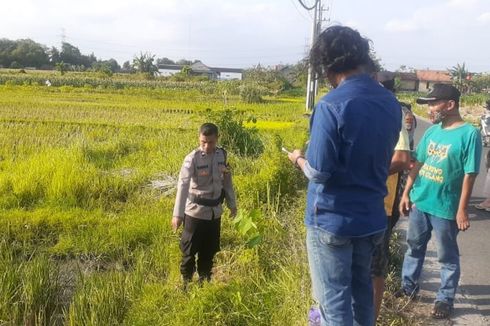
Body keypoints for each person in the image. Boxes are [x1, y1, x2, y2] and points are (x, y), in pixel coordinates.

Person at [288, 25, 402, 326]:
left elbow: (319, 171)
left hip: (332, 221)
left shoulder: (331, 104)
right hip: (371, 218)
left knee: (334, 307)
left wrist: (298, 158)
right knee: (362, 297)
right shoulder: (391, 104)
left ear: (327, 66)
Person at [398, 84, 481, 319]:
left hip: (445, 208)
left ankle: (444, 299)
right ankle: (408, 288)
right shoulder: (433, 132)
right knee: (414, 247)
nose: (430, 109)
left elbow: (470, 174)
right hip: (420, 203)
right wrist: (406, 193)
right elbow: (418, 164)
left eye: (434, 103)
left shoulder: (469, 134)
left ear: (450, 105)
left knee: (447, 256)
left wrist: (462, 209)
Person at [172, 123, 237, 286]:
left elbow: (227, 182)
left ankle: (204, 282)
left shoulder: (222, 155)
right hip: (195, 213)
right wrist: (177, 215)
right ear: (199, 139)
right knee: (189, 251)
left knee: (209, 251)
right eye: (203, 142)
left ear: (217, 139)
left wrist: (232, 204)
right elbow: (183, 186)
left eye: (211, 142)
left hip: (214, 213)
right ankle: (186, 283)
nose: (207, 146)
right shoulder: (191, 159)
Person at [371, 72, 411, 322]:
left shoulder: (391, 112)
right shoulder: (381, 109)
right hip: (369, 200)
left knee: (374, 265)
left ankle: (370, 318)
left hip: (382, 204)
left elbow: (402, 159)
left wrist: (366, 174)